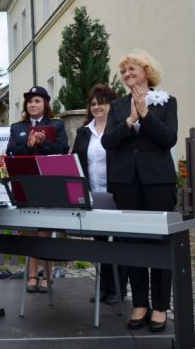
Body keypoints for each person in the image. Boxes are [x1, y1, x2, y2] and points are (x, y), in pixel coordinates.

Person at [102, 50, 177, 333]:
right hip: (125, 182)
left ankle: (159, 306)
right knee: (133, 242)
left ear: (147, 70)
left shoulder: (167, 101)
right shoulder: (118, 106)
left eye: (132, 68)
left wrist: (145, 115)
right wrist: (130, 121)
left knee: (158, 243)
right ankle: (141, 303)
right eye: (124, 71)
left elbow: (167, 138)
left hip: (158, 182)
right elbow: (109, 141)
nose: (127, 74)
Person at [6, 85, 69, 294]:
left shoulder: (55, 125)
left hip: (50, 183)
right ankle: (32, 275)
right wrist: (28, 145)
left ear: (45, 104)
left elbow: (63, 150)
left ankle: (47, 275)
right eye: (30, 101)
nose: (33, 104)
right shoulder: (17, 127)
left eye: (37, 101)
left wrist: (44, 143)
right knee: (31, 229)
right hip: (27, 182)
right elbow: (11, 152)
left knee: (47, 230)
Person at [71, 84, 125, 304]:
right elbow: (74, 160)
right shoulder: (84, 132)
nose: (96, 107)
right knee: (100, 243)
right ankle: (104, 287)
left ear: (111, 104)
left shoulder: (119, 128)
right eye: (93, 103)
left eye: (101, 102)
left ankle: (118, 290)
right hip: (93, 195)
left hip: (117, 194)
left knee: (118, 243)